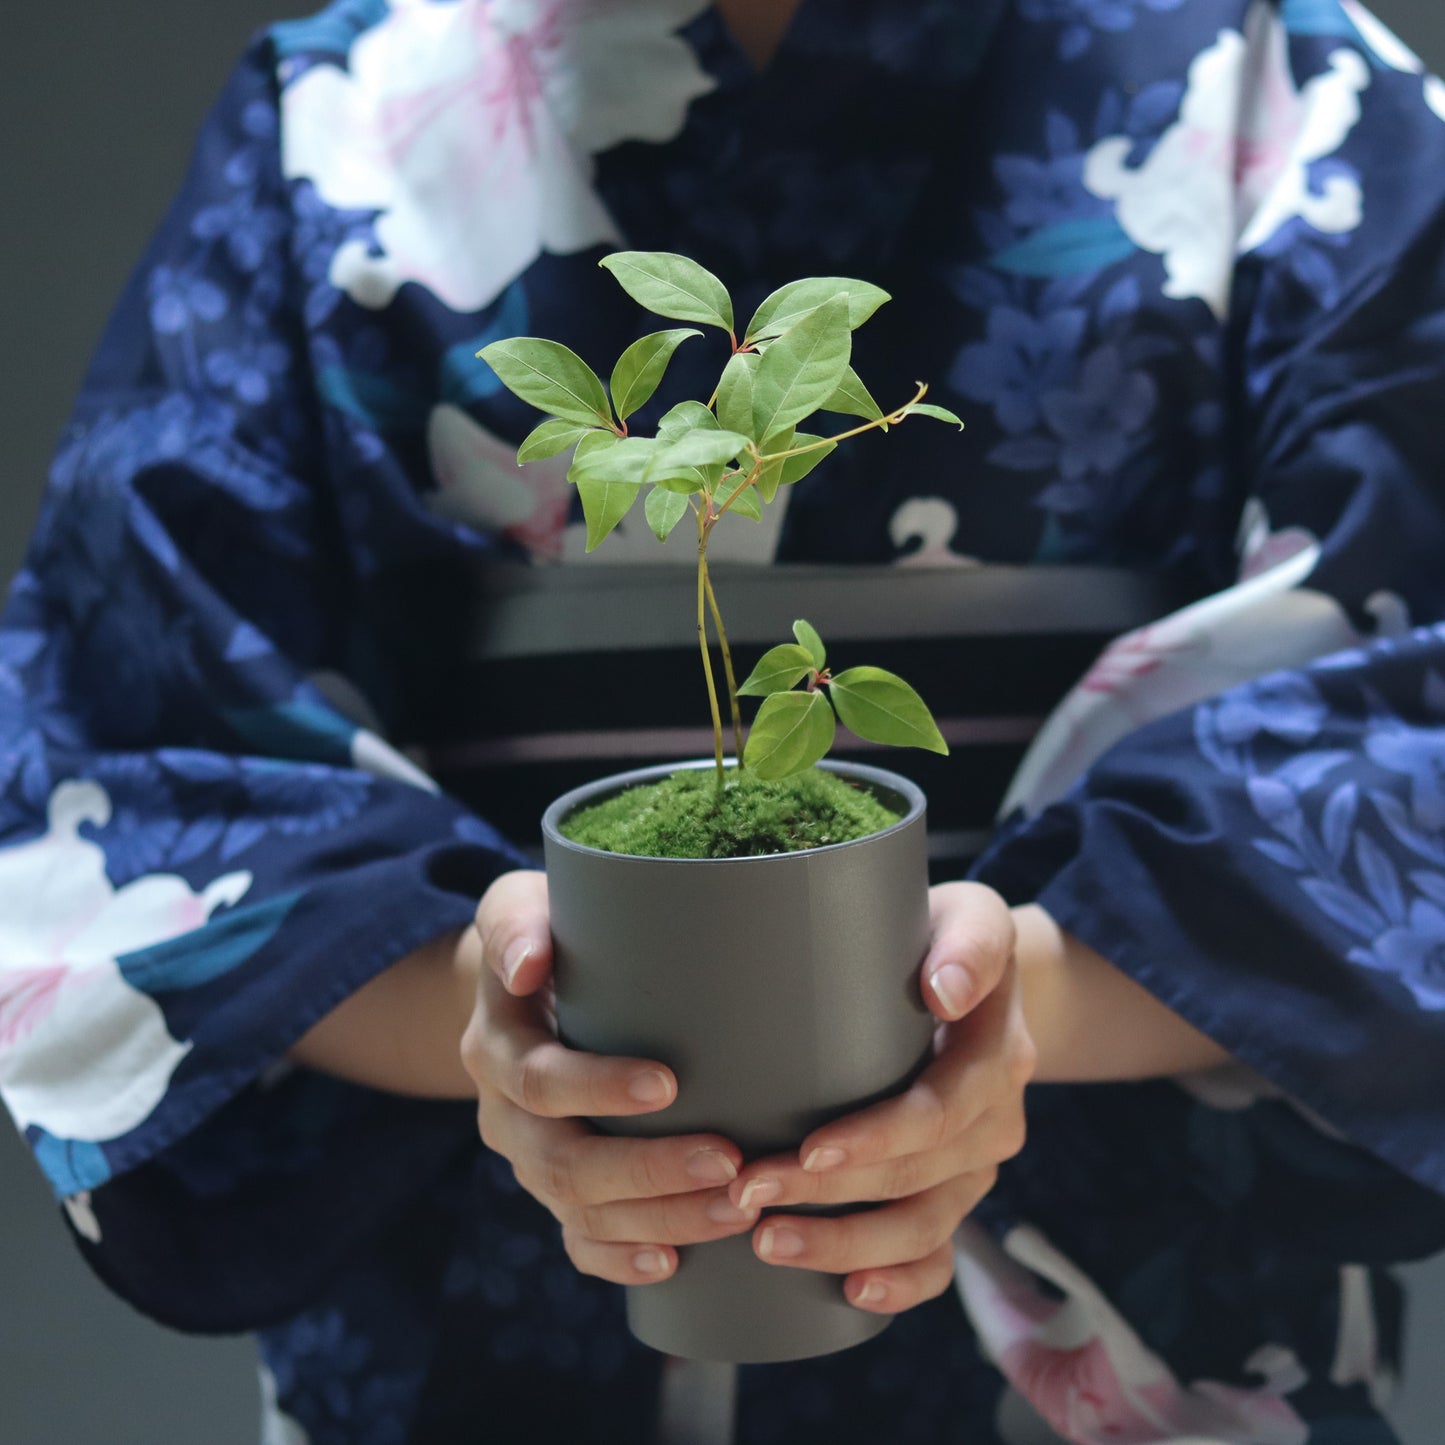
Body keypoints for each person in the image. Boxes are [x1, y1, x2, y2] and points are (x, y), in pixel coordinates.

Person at [4, 0, 1445, 1440]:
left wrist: (1025, 1000)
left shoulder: (1284, 84)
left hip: (1141, 1299)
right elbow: (139, 736)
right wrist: (497, 1019)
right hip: (498, 1301)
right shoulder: (338, 113)